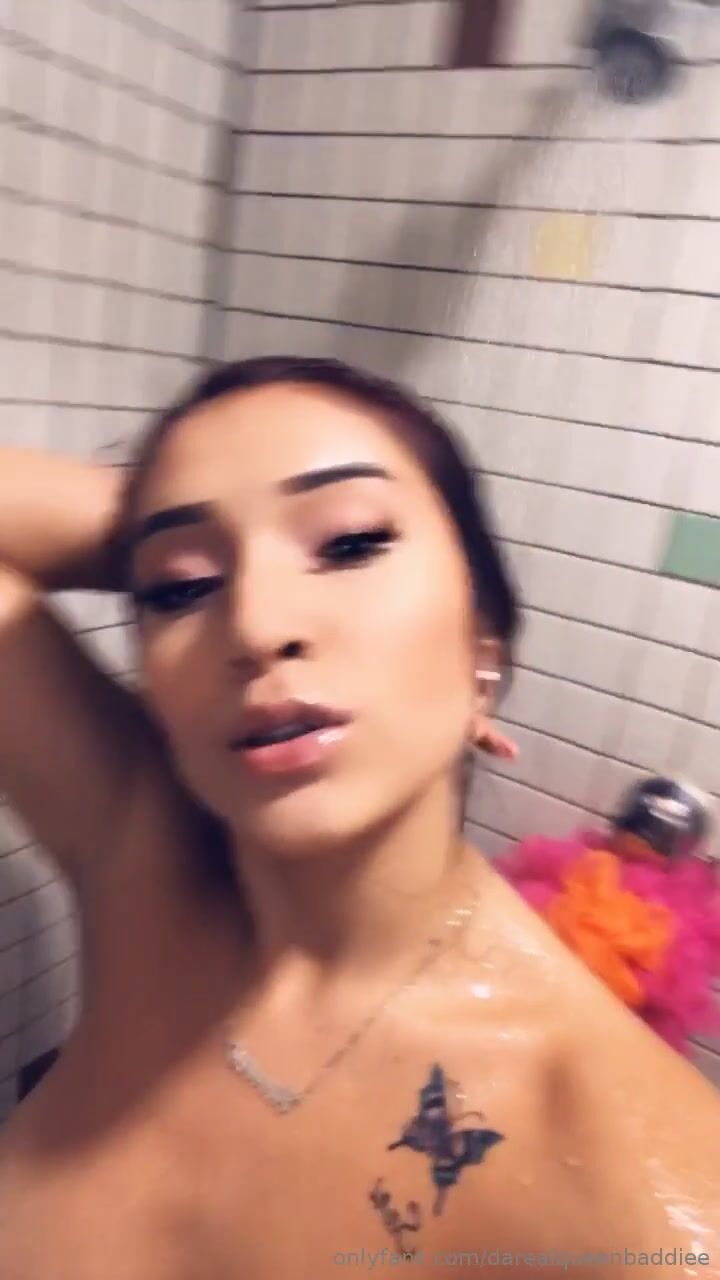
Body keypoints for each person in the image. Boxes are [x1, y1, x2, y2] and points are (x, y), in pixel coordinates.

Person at [0, 356, 717, 1279]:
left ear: (482, 653)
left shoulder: (634, 1186)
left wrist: (188, 535)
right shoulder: (145, 866)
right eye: (180, 588)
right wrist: (178, 516)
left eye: (350, 543)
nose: (258, 625)